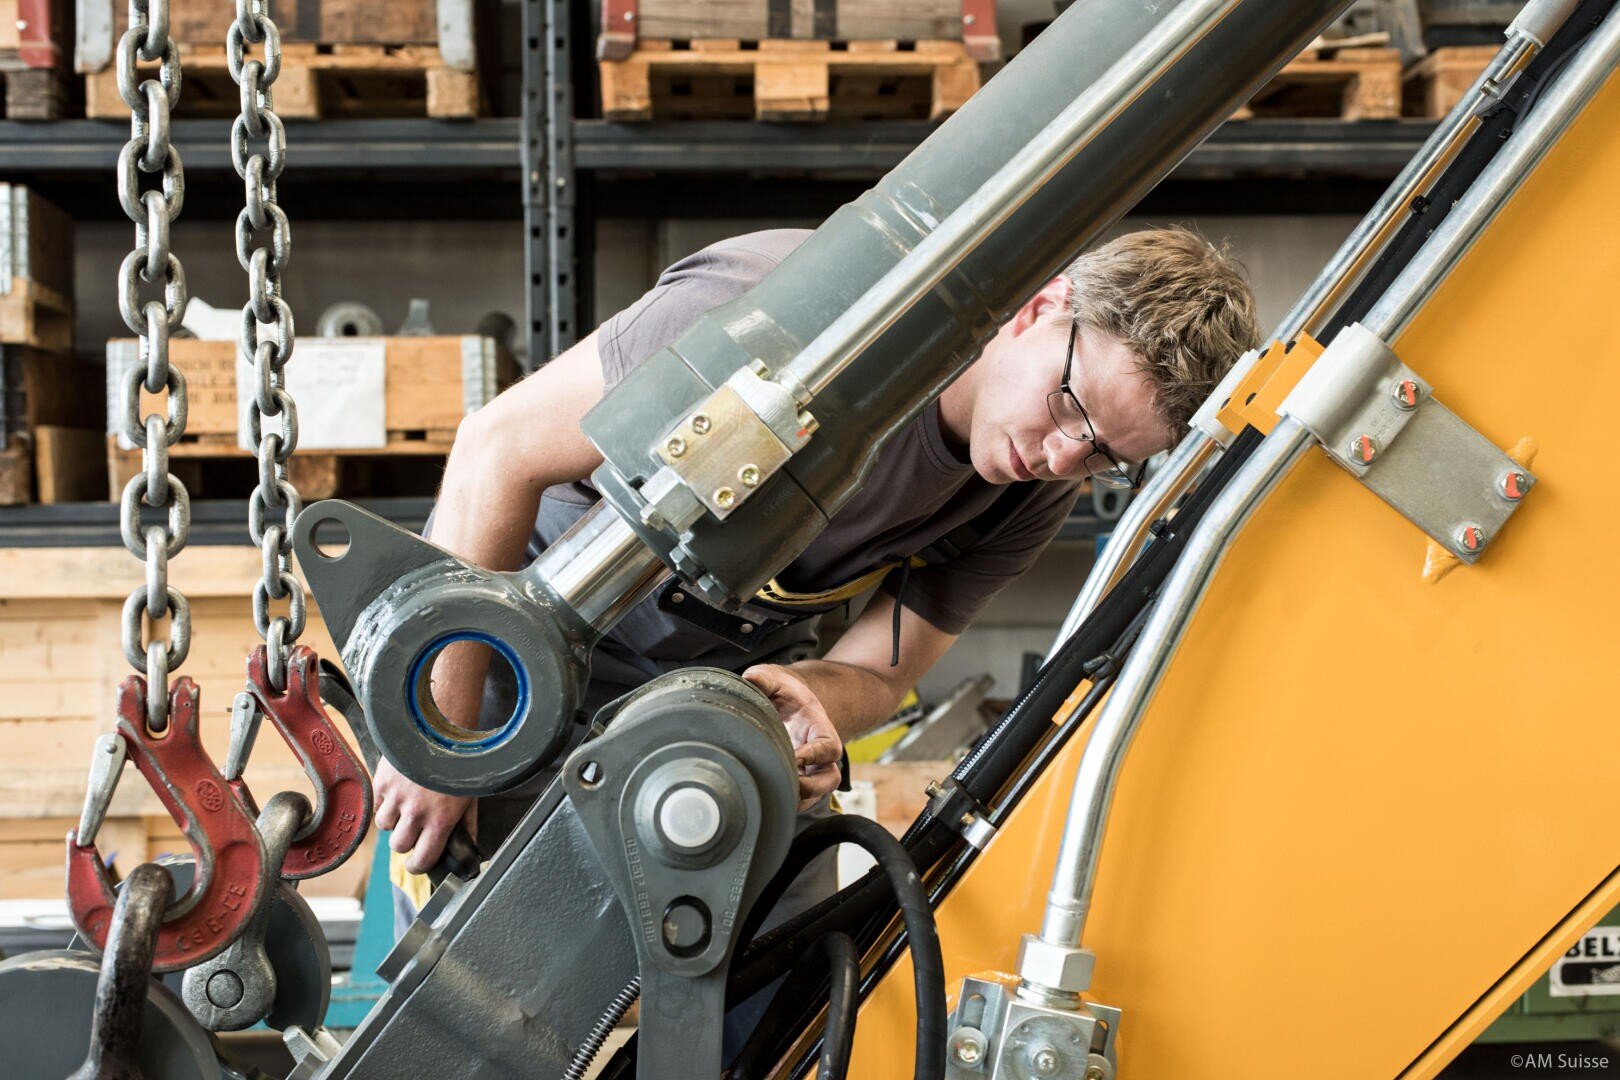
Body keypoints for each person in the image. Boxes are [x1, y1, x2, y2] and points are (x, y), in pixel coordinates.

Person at [374, 224, 1261, 915]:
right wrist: (440, 739)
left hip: (726, 689)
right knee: (489, 987)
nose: (1063, 457)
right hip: (521, 646)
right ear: (1038, 309)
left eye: (1105, 454)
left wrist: (816, 700)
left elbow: (889, 665)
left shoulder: (1029, 485)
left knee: (780, 973)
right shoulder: (783, 313)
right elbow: (497, 450)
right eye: (1071, 408)